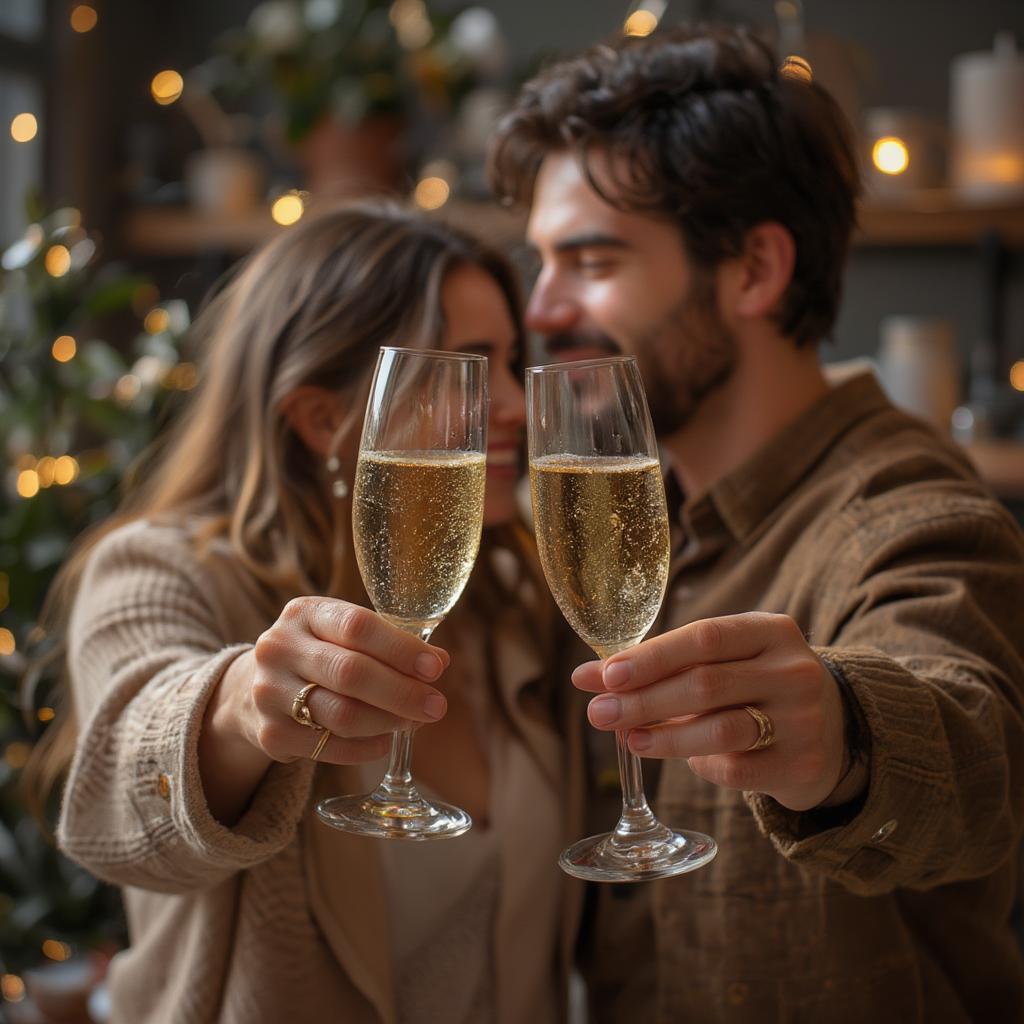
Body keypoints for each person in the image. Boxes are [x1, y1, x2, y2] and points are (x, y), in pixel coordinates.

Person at [489, 24, 1024, 1023]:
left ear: (752, 271)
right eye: (541, 264)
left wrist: (843, 731)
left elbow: (978, 755)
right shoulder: (604, 520)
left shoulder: (910, 514)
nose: (544, 306)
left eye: (590, 261)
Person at [46, 203, 581, 1023]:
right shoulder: (161, 568)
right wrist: (235, 706)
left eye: (511, 363)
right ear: (325, 418)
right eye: (468, 371)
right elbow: (117, 795)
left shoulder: (510, 602)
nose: (511, 404)